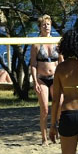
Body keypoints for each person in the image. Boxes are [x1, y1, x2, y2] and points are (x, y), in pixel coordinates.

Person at [30, 15, 61, 145]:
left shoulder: (57, 42)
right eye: (43, 24)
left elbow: (61, 62)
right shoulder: (36, 44)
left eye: (48, 24)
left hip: (55, 78)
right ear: (39, 27)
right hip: (42, 79)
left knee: (59, 106)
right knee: (44, 109)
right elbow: (33, 64)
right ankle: (44, 138)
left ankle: (56, 131)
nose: (46, 26)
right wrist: (35, 81)